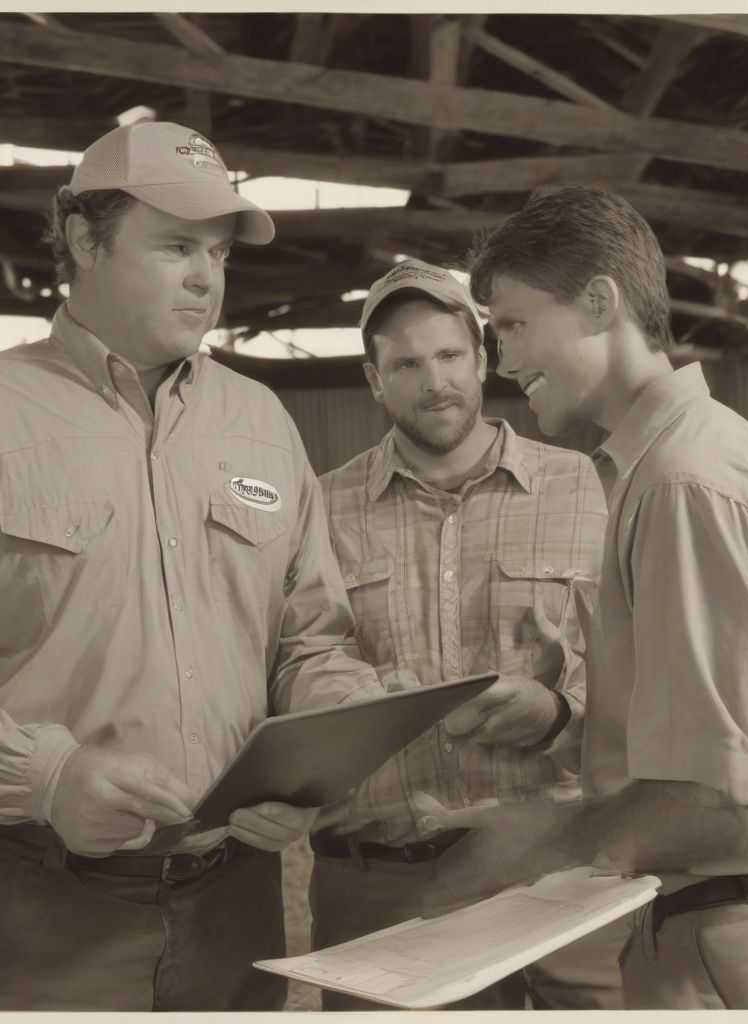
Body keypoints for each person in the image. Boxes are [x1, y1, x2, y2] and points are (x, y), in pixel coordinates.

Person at [0, 120, 384, 1012]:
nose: (207, 277)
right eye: (175, 247)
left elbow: (311, 640)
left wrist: (323, 749)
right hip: (38, 904)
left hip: (237, 900)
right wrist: (44, 778)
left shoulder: (262, 423)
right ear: (84, 239)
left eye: (217, 252)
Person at [424, 187, 748, 1010]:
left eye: (511, 323)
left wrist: (534, 840)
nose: (502, 361)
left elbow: (709, 802)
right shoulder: (678, 461)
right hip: (707, 931)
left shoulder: (684, 482)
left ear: (600, 301)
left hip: (718, 953)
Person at [311, 259, 628, 1011]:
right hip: (385, 882)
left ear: (483, 358)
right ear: (373, 379)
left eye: (450, 355)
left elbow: (635, 663)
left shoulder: (585, 486)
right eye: (407, 363)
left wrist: (558, 714)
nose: (435, 380)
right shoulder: (320, 509)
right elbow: (299, 661)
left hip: (561, 870)